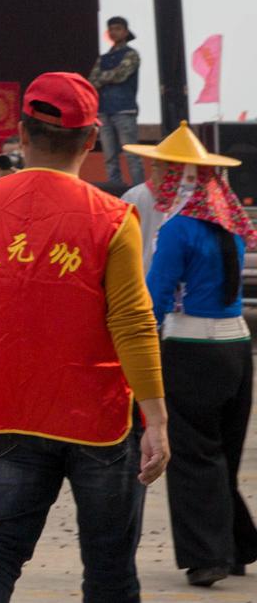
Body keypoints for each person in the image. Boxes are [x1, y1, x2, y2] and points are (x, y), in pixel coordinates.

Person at [0, 71, 169, 603]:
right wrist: (157, 419)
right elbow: (133, 322)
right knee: (109, 564)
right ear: (92, 140)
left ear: (22, 135)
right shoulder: (113, 218)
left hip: (12, 409)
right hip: (98, 418)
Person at [134, 123, 257, 586]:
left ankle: (208, 557)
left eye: (163, 170)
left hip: (190, 350)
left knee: (191, 455)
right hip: (237, 348)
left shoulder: (180, 229)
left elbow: (156, 298)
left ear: (177, 177)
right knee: (221, 452)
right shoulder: (232, 229)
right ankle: (238, 546)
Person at [91, 17, 144, 188]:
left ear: (126, 31)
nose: (114, 32)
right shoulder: (104, 57)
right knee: (109, 156)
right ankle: (115, 189)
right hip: (104, 110)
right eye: (111, 29)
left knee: (131, 154)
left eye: (118, 29)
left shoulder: (131, 54)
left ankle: (138, 190)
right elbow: (91, 81)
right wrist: (108, 77)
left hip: (124, 110)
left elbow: (120, 74)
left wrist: (103, 78)